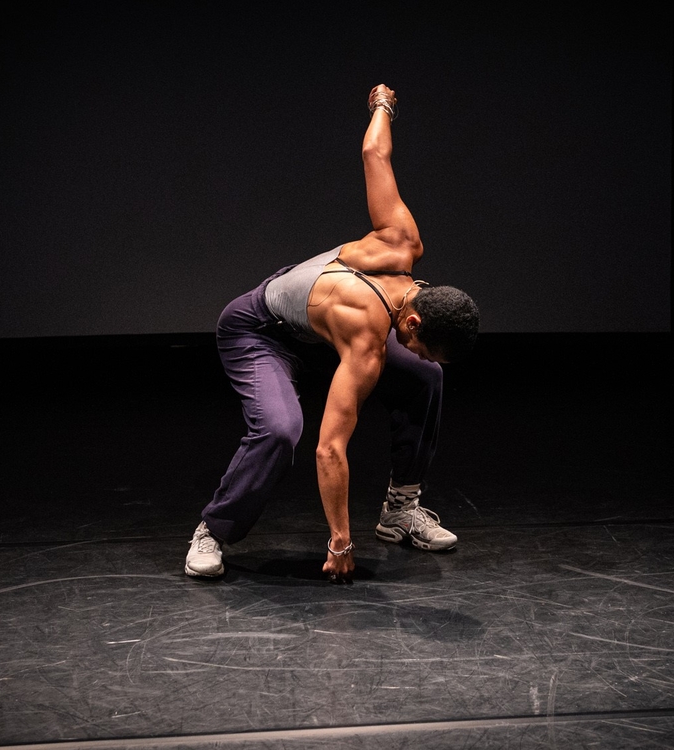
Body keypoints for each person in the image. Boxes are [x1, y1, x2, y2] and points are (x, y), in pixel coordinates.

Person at [185, 84, 479, 584]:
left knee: (427, 378)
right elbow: (330, 449)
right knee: (281, 430)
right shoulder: (366, 333)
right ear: (412, 322)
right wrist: (339, 541)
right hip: (261, 332)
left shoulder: (403, 240)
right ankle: (212, 528)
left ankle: (400, 511)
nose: (414, 351)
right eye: (419, 343)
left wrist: (383, 106)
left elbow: (374, 151)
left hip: (319, 331)